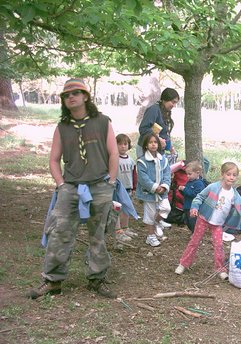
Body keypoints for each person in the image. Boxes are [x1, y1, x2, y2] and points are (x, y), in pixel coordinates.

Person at [28, 78, 119, 299]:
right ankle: (52, 281)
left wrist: (111, 182)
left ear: (85, 96)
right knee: (59, 232)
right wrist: (61, 185)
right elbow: (53, 160)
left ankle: (97, 279)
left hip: (99, 186)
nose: (70, 97)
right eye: (66, 95)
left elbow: (114, 153)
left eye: (75, 93)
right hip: (70, 188)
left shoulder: (102, 122)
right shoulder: (63, 127)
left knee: (98, 235)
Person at [174, 162, 241, 280]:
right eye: (229, 174)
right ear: (223, 174)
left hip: (218, 224)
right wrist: (194, 207)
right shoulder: (213, 187)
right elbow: (200, 197)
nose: (231, 177)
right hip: (203, 219)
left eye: (234, 175)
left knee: (218, 245)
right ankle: (183, 263)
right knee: (194, 241)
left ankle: (220, 269)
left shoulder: (234, 194)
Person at [136, 133, 172, 247]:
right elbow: (143, 178)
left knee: (166, 208)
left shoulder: (163, 160)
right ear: (146, 145)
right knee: (149, 214)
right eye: (150, 142)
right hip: (149, 193)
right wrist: (155, 187)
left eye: (155, 142)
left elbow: (167, 174)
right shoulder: (142, 161)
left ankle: (157, 222)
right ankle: (151, 236)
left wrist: (164, 186)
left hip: (162, 192)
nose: (153, 144)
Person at [136, 87, 179, 160]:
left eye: (175, 103)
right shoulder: (154, 110)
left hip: (157, 151)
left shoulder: (165, 112)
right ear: (165, 99)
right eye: (173, 102)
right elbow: (143, 128)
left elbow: (164, 133)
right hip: (146, 150)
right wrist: (158, 139)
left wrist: (170, 147)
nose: (174, 105)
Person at [115, 133, 138, 242]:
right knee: (117, 209)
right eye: (119, 144)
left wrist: (134, 187)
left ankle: (125, 227)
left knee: (126, 209)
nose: (123, 146)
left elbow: (134, 174)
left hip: (128, 188)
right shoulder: (114, 159)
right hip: (117, 189)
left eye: (125, 144)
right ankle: (118, 231)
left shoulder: (131, 160)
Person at [178, 161, 206, 232]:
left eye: (189, 174)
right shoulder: (189, 182)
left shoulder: (199, 184)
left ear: (197, 173)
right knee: (187, 221)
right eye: (187, 174)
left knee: (193, 222)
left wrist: (185, 189)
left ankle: (197, 235)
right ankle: (194, 234)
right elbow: (186, 194)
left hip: (193, 208)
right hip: (187, 206)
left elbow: (196, 195)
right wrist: (182, 190)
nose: (187, 176)